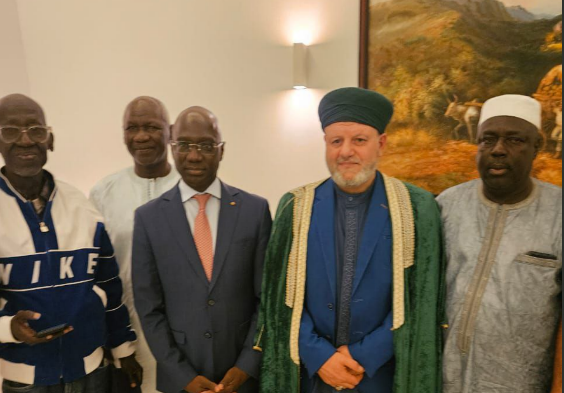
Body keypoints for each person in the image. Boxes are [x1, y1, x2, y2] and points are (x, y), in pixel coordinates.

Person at [255, 87, 446, 393]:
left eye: (359, 140)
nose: (346, 151)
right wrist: (319, 356)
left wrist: (363, 355)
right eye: (336, 141)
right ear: (325, 144)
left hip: (380, 377)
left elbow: (421, 298)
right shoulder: (295, 206)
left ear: (380, 144)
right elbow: (278, 299)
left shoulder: (417, 207)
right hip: (312, 377)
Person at [0, 94, 142, 392]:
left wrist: (123, 349)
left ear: (50, 140)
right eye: (10, 131)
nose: (25, 140)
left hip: (92, 372)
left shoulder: (82, 206)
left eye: (36, 130)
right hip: (25, 379)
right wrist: (7, 328)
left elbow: (109, 286)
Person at [132, 106, 272, 393]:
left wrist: (247, 365)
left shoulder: (255, 211)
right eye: (184, 145)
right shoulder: (148, 218)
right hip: (181, 380)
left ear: (221, 151)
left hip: (242, 379)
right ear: (172, 148)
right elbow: (149, 309)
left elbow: (266, 300)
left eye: (206, 145)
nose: (194, 156)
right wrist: (183, 376)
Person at [439, 95, 562, 392]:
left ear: (537, 147)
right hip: (445, 380)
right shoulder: (447, 205)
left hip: (521, 382)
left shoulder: (559, 212)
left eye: (515, 140)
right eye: (487, 140)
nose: (498, 150)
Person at [90, 96, 180, 392]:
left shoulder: (190, 188)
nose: (141, 136)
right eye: (132, 128)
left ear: (170, 132)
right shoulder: (104, 192)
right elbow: (94, 272)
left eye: (151, 127)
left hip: (182, 341)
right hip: (125, 340)